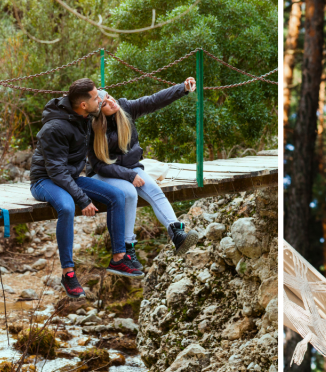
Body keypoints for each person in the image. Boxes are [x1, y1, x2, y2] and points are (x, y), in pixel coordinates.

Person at [30, 78, 141, 299]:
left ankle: (119, 258)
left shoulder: (85, 116)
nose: (100, 98)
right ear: (83, 104)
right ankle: (68, 274)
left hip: (69, 176)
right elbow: (56, 171)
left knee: (118, 196)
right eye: (95, 97)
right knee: (67, 206)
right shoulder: (54, 128)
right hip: (45, 180)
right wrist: (83, 200)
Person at [88, 78, 201, 262]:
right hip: (103, 173)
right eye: (105, 104)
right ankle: (127, 248)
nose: (111, 102)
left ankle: (177, 234)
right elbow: (98, 165)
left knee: (155, 190)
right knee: (129, 194)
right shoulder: (92, 128)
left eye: (109, 97)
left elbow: (154, 100)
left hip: (130, 168)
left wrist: (182, 88)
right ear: (98, 112)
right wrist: (129, 176)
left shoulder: (124, 108)